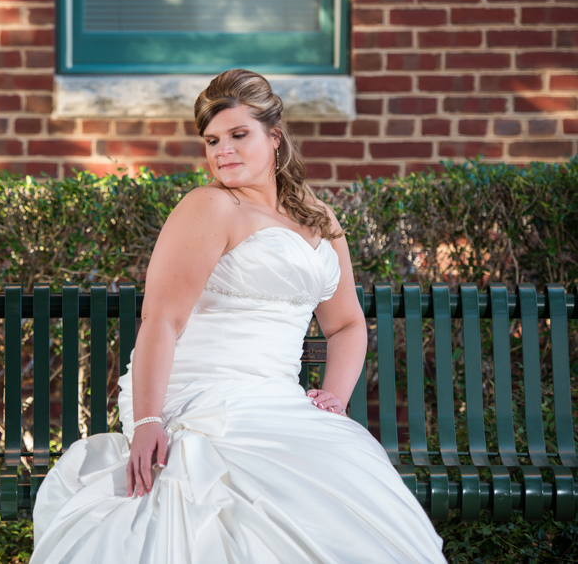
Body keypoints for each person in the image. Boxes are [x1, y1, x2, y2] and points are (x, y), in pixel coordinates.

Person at [30, 69, 445, 563]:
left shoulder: (320, 219)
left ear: (274, 137)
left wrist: (334, 396)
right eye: (212, 140)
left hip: (278, 400)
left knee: (346, 471)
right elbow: (161, 320)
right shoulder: (209, 207)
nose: (222, 150)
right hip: (199, 397)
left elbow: (346, 324)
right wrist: (147, 420)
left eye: (238, 135)